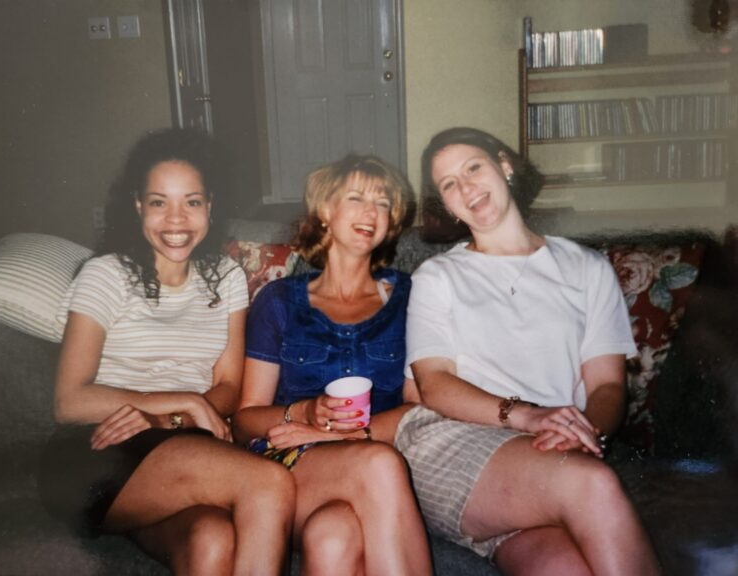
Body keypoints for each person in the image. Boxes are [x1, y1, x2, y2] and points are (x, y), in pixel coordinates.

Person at [395, 127, 661, 576]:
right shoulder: (437, 276)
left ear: (504, 164)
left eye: (473, 168)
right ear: (447, 204)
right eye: (449, 184)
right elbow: (433, 385)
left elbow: (608, 386)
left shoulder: (587, 268)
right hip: (457, 444)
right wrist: (528, 416)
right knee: (591, 485)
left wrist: (583, 433)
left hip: (549, 457)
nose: (466, 188)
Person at [39, 128, 294, 576]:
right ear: (138, 206)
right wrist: (183, 401)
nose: (176, 219)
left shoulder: (227, 277)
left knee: (211, 541)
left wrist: (171, 418)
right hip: (100, 450)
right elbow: (69, 401)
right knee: (269, 483)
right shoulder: (106, 275)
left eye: (191, 202)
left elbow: (230, 387)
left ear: (210, 207)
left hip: (181, 445)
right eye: (159, 202)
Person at [232, 154, 433, 576]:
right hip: (291, 466)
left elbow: (421, 406)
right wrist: (307, 415)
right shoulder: (280, 301)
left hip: (371, 451)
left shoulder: (410, 297)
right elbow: (245, 419)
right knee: (379, 465)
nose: (371, 212)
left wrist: (351, 434)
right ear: (325, 210)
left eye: (383, 203)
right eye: (356, 197)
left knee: (333, 537)